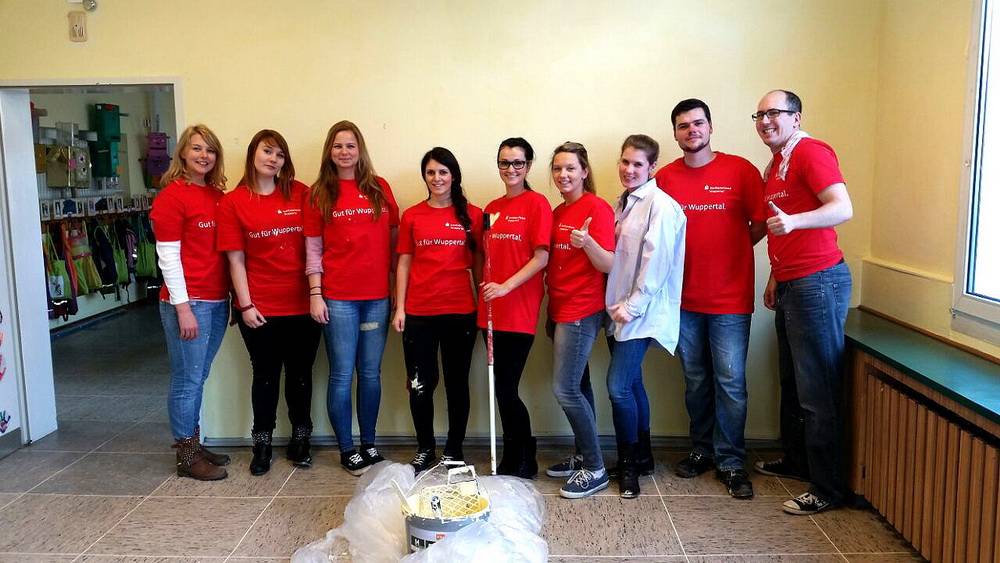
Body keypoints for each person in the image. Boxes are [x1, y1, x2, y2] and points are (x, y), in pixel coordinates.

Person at [655, 99, 767, 499]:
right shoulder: (664, 178)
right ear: (675, 133)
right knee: (696, 381)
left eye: (698, 123)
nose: (692, 131)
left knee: (731, 382)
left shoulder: (741, 171)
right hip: (682, 301)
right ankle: (701, 450)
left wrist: (732, 252)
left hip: (731, 301)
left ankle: (732, 461)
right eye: (683, 126)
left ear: (711, 127)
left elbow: (759, 225)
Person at [751, 89, 854, 515]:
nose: (766, 121)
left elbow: (841, 207)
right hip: (793, 282)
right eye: (759, 114)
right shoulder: (775, 164)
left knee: (818, 391)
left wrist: (794, 221)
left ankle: (827, 487)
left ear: (796, 117)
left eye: (775, 113)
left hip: (818, 282)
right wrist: (776, 274)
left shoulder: (811, 151)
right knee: (793, 382)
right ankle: (797, 461)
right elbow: (776, 229)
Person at [217, 129, 320, 476]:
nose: (273, 159)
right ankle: (261, 443)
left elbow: (315, 248)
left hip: (304, 307)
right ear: (253, 154)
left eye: (279, 154)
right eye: (267, 151)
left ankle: (300, 439)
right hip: (259, 308)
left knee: (301, 377)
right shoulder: (233, 202)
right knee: (265, 377)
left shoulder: (301, 194)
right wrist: (245, 306)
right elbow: (235, 261)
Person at [305, 121, 399, 476]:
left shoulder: (379, 188)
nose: (344, 152)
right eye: (338, 146)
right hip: (339, 299)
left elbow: (393, 241)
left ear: (360, 150)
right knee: (342, 375)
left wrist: (394, 287)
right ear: (329, 152)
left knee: (371, 374)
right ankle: (348, 448)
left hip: (377, 298)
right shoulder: (319, 194)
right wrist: (316, 294)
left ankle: (369, 443)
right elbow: (313, 250)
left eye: (350, 145)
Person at [392, 147, 483, 473]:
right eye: (431, 172)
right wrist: (400, 307)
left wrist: (485, 306)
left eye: (443, 172)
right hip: (419, 314)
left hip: (460, 312)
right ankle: (425, 447)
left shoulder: (473, 215)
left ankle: (454, 448)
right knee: (420, 382)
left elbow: (480, 265)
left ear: (453, 175)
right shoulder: (412, 216)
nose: (437, 178)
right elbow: (403, 262)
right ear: (425, 177)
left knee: (457, 383)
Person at [606, 134, 686, 498]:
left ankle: (628, 470)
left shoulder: (661, 205)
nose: (629, 169)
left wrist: (633, 306)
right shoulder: (624, 202)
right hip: (619, 307)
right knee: (633, 384)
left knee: (618, 387)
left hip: (640, 311)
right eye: (625, 162)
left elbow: (657, 264)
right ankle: (643, 457)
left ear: (652, 167)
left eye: (638, 164)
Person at [152, 124, 230, 481]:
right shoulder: (172, 197)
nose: (203, 156)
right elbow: (168, 257)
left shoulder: (217, 196)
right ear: (183, 152)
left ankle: (195, 444)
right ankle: (186, 455)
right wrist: (182, 307)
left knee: (199, 378)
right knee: (187, 379)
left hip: (215, 300)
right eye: (196, 148)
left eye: (210, 150)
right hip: (189, 303)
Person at [544, 142, 615, 498]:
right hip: (558, 307)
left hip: (581, 309)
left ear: (584, 171)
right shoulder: (557, 211)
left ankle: (596, 468)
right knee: (580, 385)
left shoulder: (597, 208)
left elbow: (610, 264)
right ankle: (584, 455)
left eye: (570, 168)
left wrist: (586, 242)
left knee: (565, 389)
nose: (563, 175)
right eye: (557, 168)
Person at [479, 137, 553, 479]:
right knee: (500, 388)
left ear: (528, 166)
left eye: (518, 163)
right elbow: (487, 258)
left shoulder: (537, 204)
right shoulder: (490, 209)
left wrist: (507, 286)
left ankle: (525, 453)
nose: (511, 169)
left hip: (519, 308)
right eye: (505, 163)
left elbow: (542, 257)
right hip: (490, 311)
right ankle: (512, 454)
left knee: (507, 387)